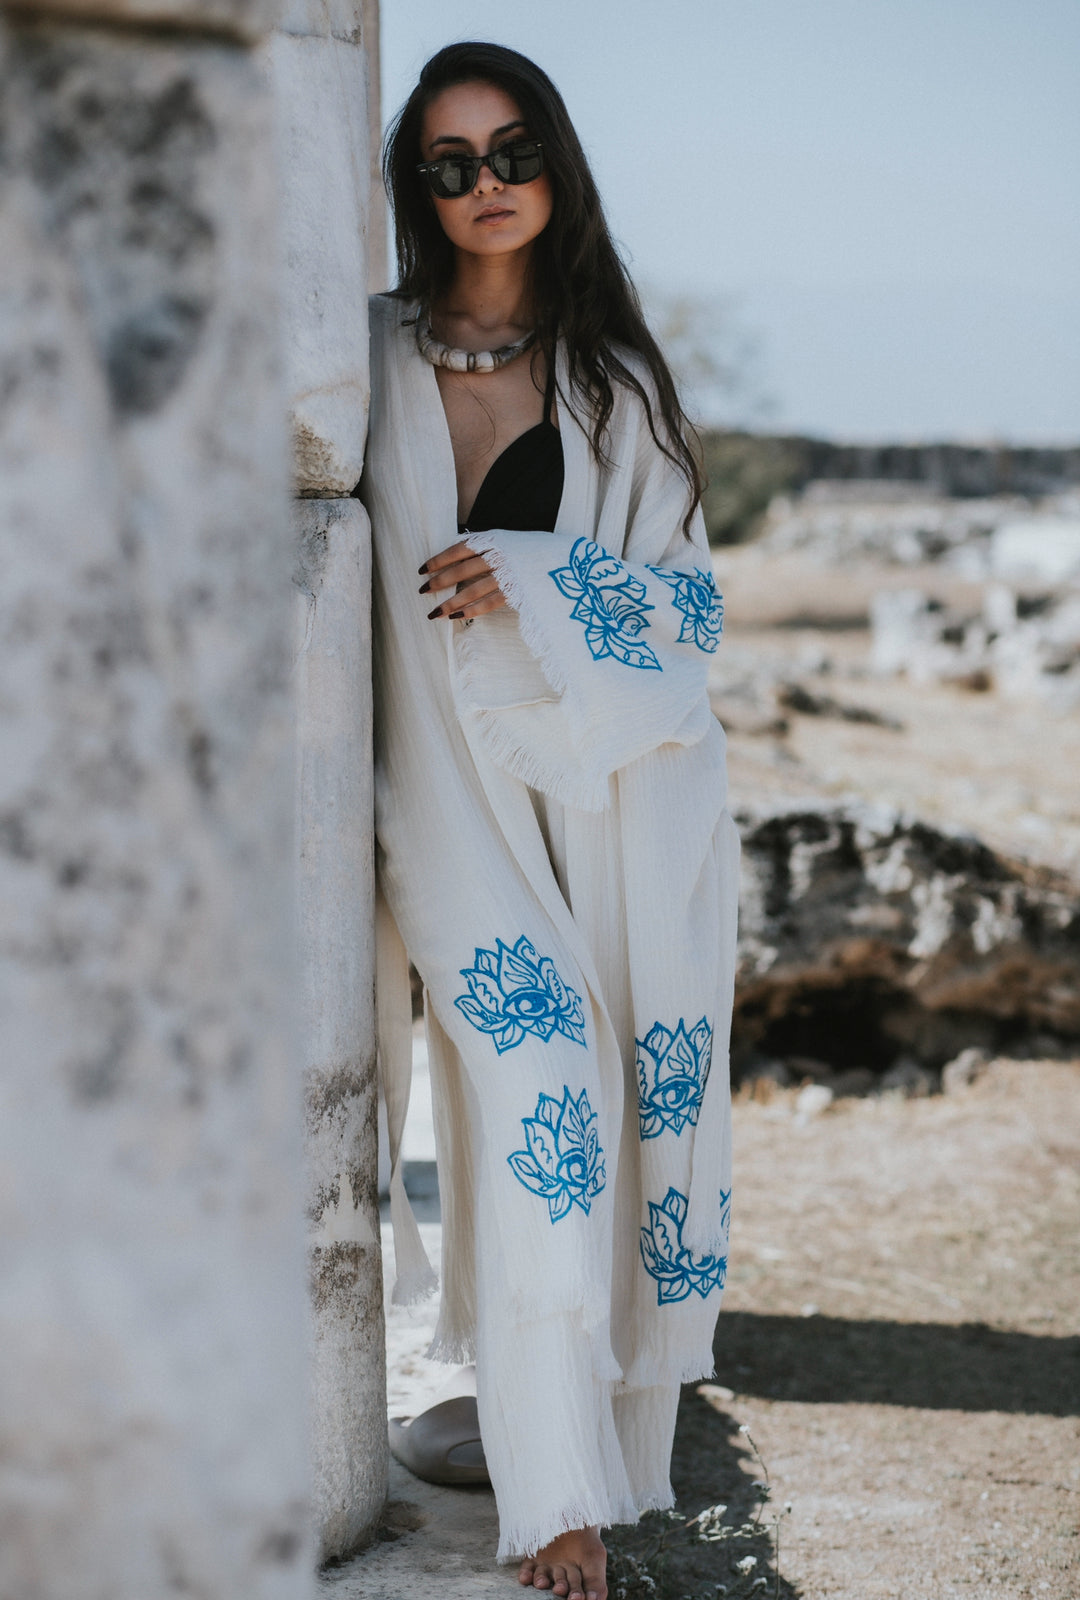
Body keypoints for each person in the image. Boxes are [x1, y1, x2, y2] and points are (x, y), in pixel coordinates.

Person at [358, 41, 740, 1600]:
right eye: (448, 164)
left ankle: (560, 1455)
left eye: (510, 149)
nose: (486, 184)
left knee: (595, 1127)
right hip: (436, 814)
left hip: (613, 820)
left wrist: (536, 575)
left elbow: (692, 621)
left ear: (556, 162)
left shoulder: (614, 380)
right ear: (415, 194)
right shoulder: (362, 354)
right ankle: (551, 1489)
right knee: (541, 1112)